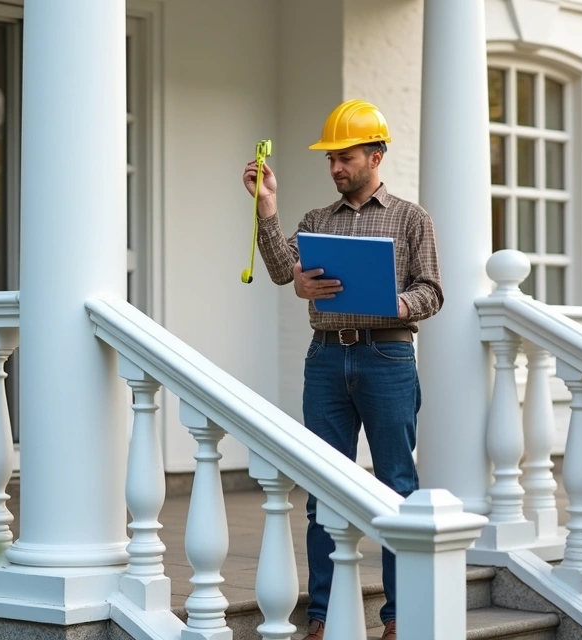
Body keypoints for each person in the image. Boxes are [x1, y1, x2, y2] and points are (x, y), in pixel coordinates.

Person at [242, 99, 443, 640]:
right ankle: (322, 617)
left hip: (388, 356)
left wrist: (396, 304)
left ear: (375, 156)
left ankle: (400, 617)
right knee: (323, 489)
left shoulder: (410, 218)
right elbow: (284, 272)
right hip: (326, 357)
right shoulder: (314, 221)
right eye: (330, 159)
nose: (335, 168)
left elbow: (433, 292)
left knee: (397, 487)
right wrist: (266, 206)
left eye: (345, 157)